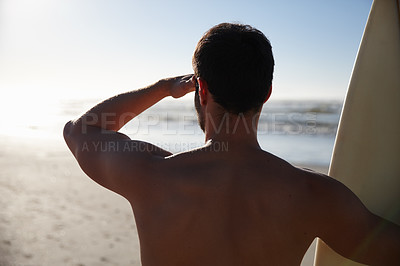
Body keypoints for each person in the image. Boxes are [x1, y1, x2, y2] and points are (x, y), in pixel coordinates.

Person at [64, 23, 400, 265]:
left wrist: (164, 87)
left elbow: (80, 131)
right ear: (267, 93)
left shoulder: (151, 175)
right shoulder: (316, 195)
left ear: (202, 91)